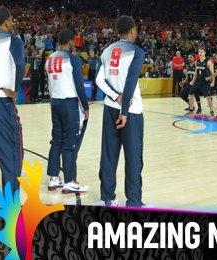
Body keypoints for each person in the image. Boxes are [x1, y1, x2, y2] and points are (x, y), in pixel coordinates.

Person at [96, 15, 146, 207]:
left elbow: (99, 80)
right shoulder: (137, 51)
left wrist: (115, 97)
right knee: (133, 157)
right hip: (130, 112)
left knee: (109, 154)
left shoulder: (107, 51)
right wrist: (124, 109)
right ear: (132, 30)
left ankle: (108, 198)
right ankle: (133, 201)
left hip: (110, 108)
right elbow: (131, 82)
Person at [46, 29, 89, 193]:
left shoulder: (49, 59)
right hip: (69, 104)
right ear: (71, 42)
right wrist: (85, 107)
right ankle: (70, 180)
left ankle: (54, 179)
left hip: (54, 102)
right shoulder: (74, 59)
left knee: (56, 141)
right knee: (69, 143)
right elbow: (79, 86)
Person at [0, 6, 25, 194]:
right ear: (7, 21)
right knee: (11, 155)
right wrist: (15, 90)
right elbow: (20, 63)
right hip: (1, 101)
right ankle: (11, 208)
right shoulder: (13, 40)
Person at [185, 47, 215, 117]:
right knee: (190, 94)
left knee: (208, 97)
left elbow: (213, 73)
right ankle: (191, 110)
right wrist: (192, 81)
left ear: (204, 53)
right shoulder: (197, 62)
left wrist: (213, 81)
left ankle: (211, 111)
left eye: (201, 52)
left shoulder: (208, 62)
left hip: (205, 82)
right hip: (197, 81)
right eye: (199, 52)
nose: (200, 53)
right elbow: (196, 73)